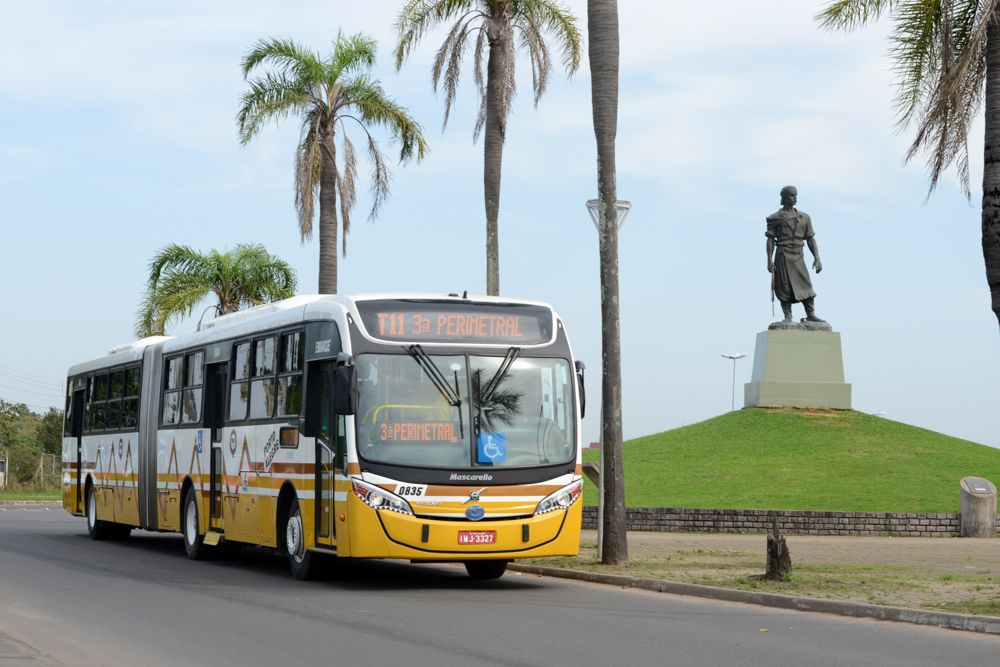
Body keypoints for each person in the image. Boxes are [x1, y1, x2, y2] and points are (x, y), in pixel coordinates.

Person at [766, 185, 825, 323]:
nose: (795, 198)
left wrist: (817, 258)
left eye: (796, 195)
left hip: (798, 255)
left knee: (806, 284)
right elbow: (770, 240)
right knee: (784, 286)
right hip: (783, 255)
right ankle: (788, 316)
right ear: (785, 198)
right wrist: (769, 260)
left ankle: (810, 314)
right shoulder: (775, 218)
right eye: (792, 195)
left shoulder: (804, 217)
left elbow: (810, 238)